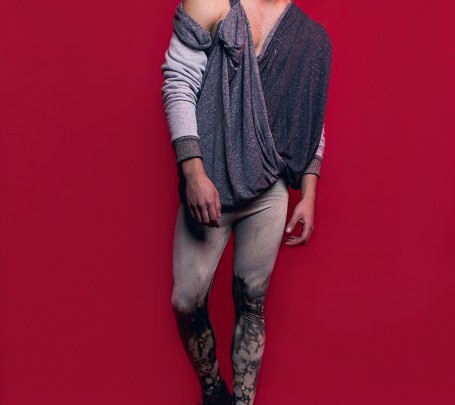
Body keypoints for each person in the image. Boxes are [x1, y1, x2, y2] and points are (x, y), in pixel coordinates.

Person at [160, 0, 332, 404]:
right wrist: (193, 173)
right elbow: (179, 82)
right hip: (211, 181)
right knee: (186, 300)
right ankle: (213, 391)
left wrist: (309, 193)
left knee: (252, 302)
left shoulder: (311, 38)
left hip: (270, 189)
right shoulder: (213, 4)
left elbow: (311, 119)